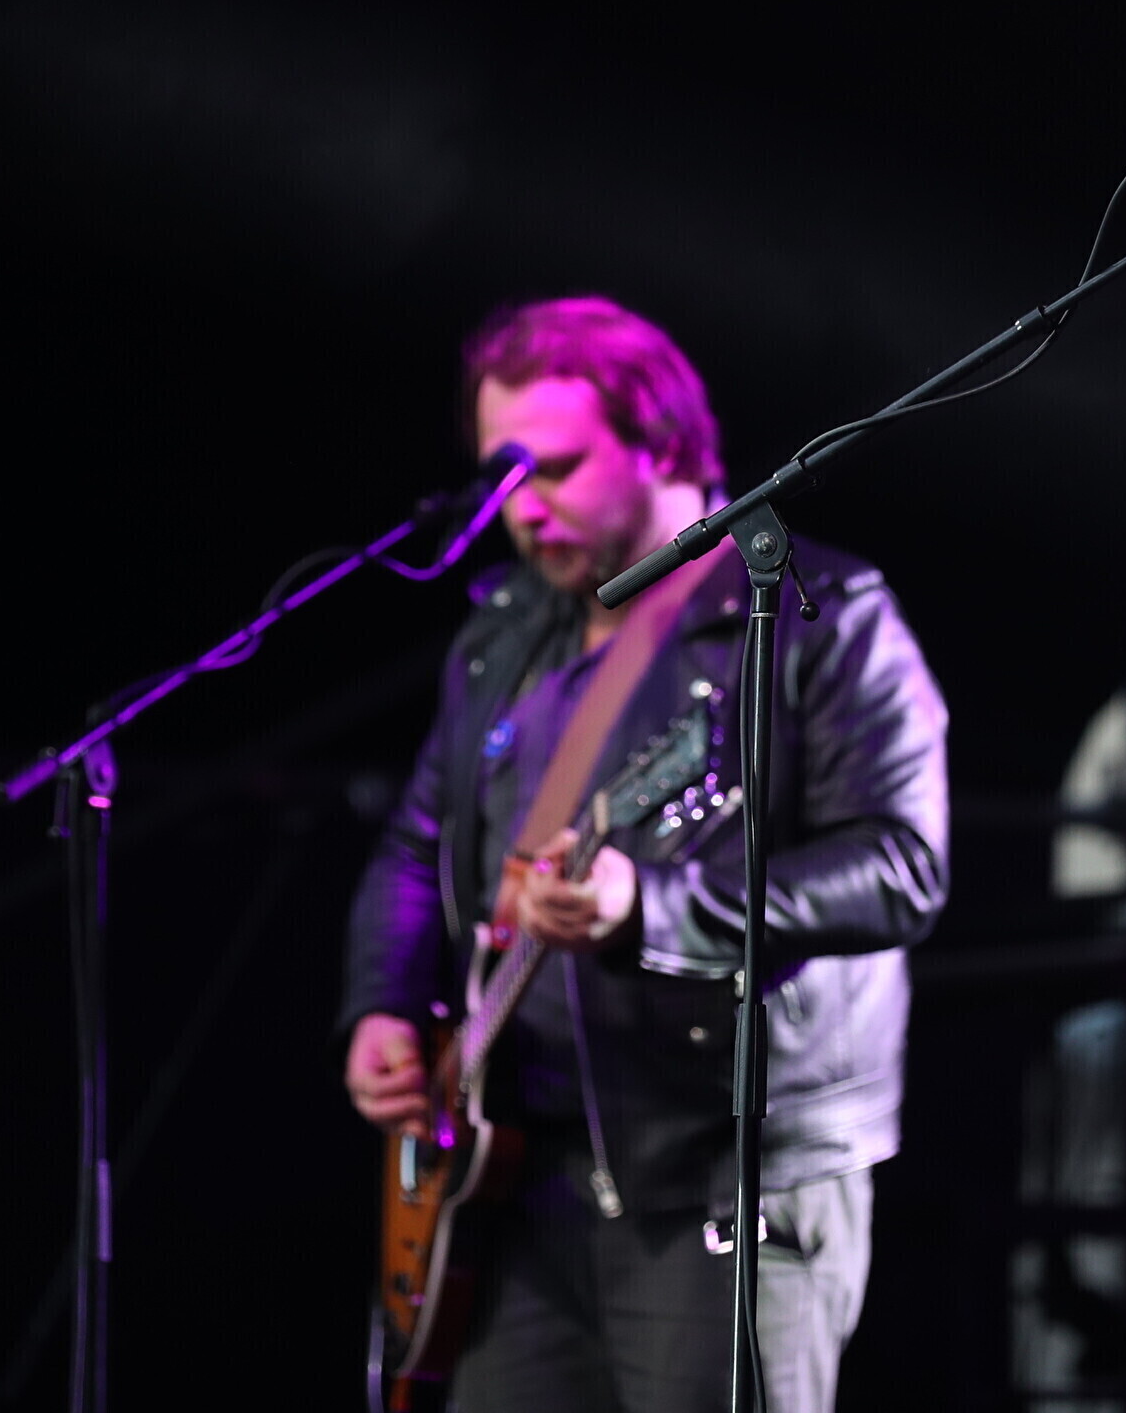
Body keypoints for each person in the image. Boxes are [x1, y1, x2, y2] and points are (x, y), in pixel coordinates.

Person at [341, 296, 950, 1413]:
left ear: (663, 443)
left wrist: (656, 907)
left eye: (556, 468)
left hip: (726, 1180)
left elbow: (903, 864)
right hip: (519, 1186)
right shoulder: (505, 635)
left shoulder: (822, 612)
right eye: (504, 478)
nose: (524, 506)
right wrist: (383, 1004)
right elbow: (418, 840)